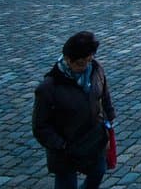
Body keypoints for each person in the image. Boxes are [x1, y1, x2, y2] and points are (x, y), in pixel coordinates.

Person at [32, 31, 116, 189]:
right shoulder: (48, 88)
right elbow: (40, 126)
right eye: (80, 63)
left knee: (99, 171)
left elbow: (104, 95)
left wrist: (109, 121)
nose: (85, 67)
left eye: (88, 60)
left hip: (94, 140)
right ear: (67, 59)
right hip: (65, 150)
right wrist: (61, 145)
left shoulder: (96, 69)